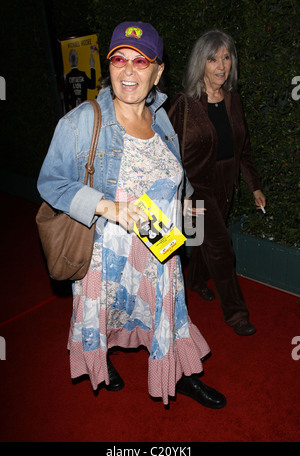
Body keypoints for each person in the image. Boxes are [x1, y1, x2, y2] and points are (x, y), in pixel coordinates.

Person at [37, 21, 226, 409]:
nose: (128, 71)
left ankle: (182, 376)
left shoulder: (161, 118)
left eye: (141, 62)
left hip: (159, 254)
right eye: (119, 59)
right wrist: (108, 207)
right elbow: (50, 182)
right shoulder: (82, 122)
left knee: (168, 314)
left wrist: (187, 202)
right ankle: (102, 360)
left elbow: (174, 171)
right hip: (105, 259)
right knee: (106, 315)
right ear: (108, 67)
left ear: (157, 72)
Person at [168, 29, 266, 336]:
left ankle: (196, 281)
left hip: (226, 183)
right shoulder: (184, 104)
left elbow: (243, 146)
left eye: (226, 57)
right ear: (201, 63)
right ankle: (237, 315)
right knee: (222, 248)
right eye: (213, 58)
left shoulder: (233, 100)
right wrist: (178, 190)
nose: (221, 65)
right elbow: (165, 149)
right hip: (196, 188)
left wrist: (254, 185)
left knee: (202, 241)